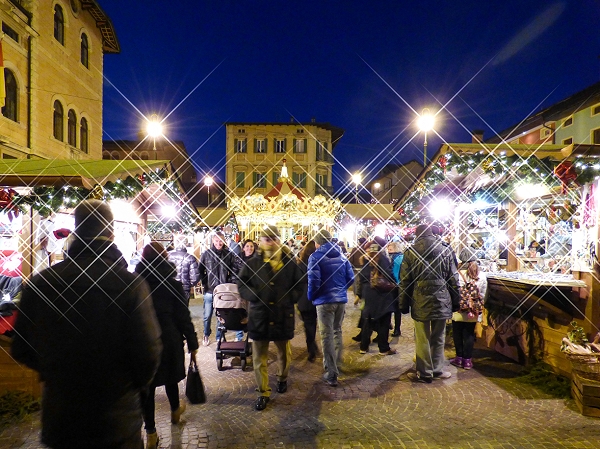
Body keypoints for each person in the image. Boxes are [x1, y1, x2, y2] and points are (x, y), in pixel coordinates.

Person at [11, 200, 162, 449]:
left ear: (76, 230)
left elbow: (22, 348)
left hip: (62, 419)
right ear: (111, 233)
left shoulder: (42, 283)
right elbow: (149, 354)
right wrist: (124, 386)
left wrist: (58, 372)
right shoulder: (131, 286)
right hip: (115, 420)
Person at [135, 242, 199, 449]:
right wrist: (192, 340)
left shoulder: (135, 283)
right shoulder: (173, 284)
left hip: (145, 338)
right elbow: (182, 316)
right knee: (171, 377)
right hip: (169, 337)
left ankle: (151, 433)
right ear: (164, 258)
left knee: (148, 387)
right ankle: (174, 411)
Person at [237, 225, 303, 411]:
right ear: (260, 241)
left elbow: (300, 284)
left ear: (278, 240)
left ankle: (282, 377)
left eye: (273, 238)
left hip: (282, 314)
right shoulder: (252, 263)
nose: (270, 242)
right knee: (259, 357)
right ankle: (262, 392)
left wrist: (290, 299)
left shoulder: (289, 263)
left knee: (284, 353)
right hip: (260, 316)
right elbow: (241, 283)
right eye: (266, 239)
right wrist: (254, 295)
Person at [400, 223, 460, 383]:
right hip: (442, 299)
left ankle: (425, 372)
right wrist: (456, 300)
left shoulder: (410, 252)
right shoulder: (446, 249)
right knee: (439, 336)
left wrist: (403, 304)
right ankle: (437, 369)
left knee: (422, 338)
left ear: (417, 235)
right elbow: (454, 278)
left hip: (420, 300)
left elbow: (405, 281)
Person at [308, 230, 355, 386]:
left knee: (326, 335)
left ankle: (331, 372)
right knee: (337, 331)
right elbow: (351, 278)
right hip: (340, 300)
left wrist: (312, 296)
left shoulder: (315, 257)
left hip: (324, 301)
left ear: (318, 242)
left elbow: (313, 281)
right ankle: (336, 363)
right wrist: (341, 290)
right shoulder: (342, 256)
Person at [358, 240, 398, 356]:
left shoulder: (364, 260)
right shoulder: (383, 259)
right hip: (382, 295)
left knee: (367, 321)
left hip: (368, 294)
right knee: (383, 322)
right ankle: (383, 348)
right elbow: (388, 274)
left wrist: (360, 294)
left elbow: (361, 278)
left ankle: (364, 347)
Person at [450, 252, 487, 370]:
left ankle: (459, 358)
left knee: (457, 333)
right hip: (473, 310)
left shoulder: (457, 274)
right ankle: (468, 361)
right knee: (469, 333)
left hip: (459, 308)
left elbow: (453, 291)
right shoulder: (482, 275)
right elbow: (482, 294)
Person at [199, 231, 235, 346]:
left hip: (223, 290)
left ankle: (219, 337)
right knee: (207, 315)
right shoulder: (206, 254)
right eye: (217, 240)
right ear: (213, 241)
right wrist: (205, 284)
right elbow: (201, 270)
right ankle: (206, 334)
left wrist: (229, 282)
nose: (219, 243)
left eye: (221, 241)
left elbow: (233, 270)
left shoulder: (228, 255)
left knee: (221, 315)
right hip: (210, 290)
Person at [231, 238, 258, 341]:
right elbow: (234, 274)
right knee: (240, 312)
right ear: (243, 248)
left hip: (253, 290)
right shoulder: (238, 259)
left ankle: (252, 334)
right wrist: (238, 286)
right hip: (241, 290)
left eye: (251, 246)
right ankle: (239, 336)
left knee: (252, 312)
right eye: (247, 246)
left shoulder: (257, 260)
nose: (249, 248)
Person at [296, 240, 319, 362]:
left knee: (308, 324)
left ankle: (311, 347)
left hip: (303, 299)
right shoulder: (318, 263)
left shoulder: (300, 264)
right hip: (314, 298)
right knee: (312, 324)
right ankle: (312, 347)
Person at [168, 234, 200, 305]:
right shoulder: (190, 258)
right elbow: (195, 278)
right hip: (184, 289)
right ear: (186, 243)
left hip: (169, 287)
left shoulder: (167, 256)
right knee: (182, 311)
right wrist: (189, 285)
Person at [386, 240, 406, 337]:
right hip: (400, 286)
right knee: (397, 309)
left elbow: (391, 272)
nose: (388, 250)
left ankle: (389, 325)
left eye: (390, 249)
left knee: (390, 307)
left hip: (392, 285)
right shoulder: (403, 257)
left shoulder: (392, 258)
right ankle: (397, 329)